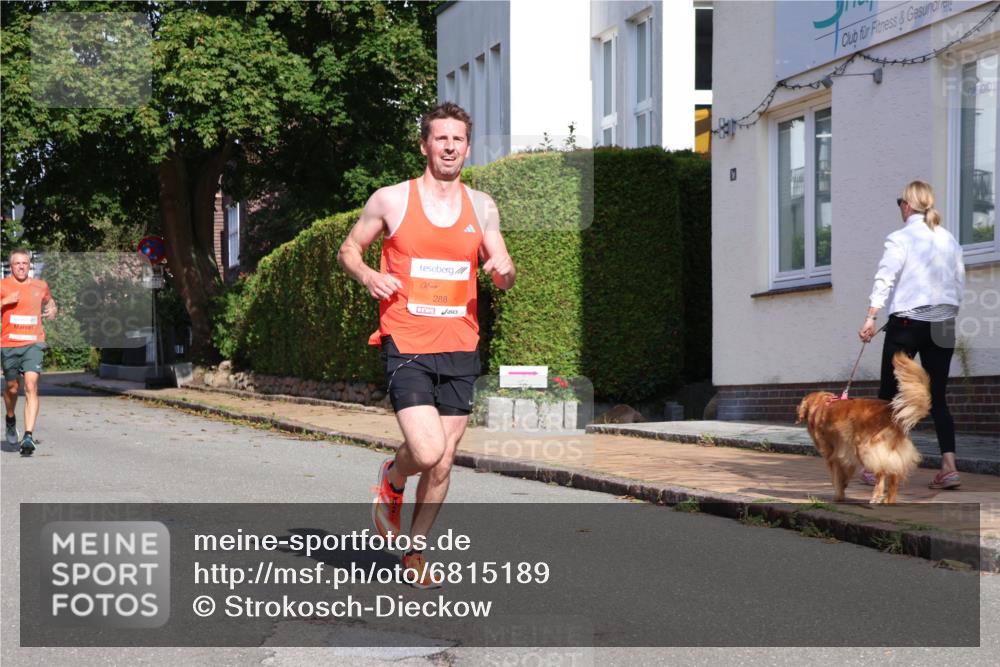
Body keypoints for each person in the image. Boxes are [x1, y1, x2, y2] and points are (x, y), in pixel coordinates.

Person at [338, 102, 516, 588]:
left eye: (458, 139)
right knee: (426, 447)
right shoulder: (391, 200)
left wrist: (502, 272)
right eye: (441, 138)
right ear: (425, 145)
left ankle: (414, 551)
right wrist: (369, 273)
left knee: (444, 460)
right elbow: (348, 249)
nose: (450, 146)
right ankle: (393, 477)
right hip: (408, 339)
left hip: (461, 344)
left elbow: (503, 267)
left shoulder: (482, 207)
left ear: (467, 146)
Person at [859, 181, 965, 490]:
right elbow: (959, 282)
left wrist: (870, 317)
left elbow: (885, 277)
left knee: (887, 397)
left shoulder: (900, 238)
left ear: (907, 205)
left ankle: (877, 468)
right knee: (937, 398)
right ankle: (949, 467)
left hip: (907, 324)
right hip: (942, 323)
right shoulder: (949, 239)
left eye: (900, 203)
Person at [1, 248, 58, 456]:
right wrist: (4, 302)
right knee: (12, 388)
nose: (22, 266)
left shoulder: (40, 285)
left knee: (31, 385)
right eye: (17, 263)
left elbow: (50, 301)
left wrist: (52, 308)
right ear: (11, 266)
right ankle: (9, 418)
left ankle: (27, 436)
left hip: (34, 343)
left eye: (25, 263)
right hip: (9, 344)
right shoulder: (3, 286)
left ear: (29, 265)